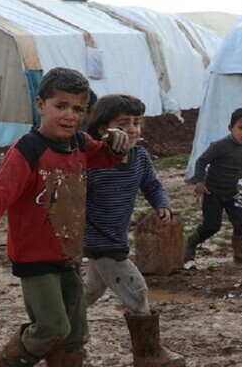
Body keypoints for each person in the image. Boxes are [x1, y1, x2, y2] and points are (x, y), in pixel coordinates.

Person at [0, 67, 131, 367]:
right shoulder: (28, 149)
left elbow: (105, 155)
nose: (70, 116)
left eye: (78, 109)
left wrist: (117, 142)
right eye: (61, 106)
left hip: (70, 254)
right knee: (52, 328)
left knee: (74, 337)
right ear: (40, 105)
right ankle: (5, 363)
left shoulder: (80, 143)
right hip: (35, 258)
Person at [83, 94, 185, 366]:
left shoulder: (139, 157)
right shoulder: (92, 161)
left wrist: (162, 204)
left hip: (115, 236)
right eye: (123, 124)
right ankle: (149, 354)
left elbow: (152, 184)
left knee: (89, 292)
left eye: (136, 123)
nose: (132, 129)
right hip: (98, 239)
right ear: (103, 129)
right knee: (136, 289)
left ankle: (56, 331)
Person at [184, 107, 242, 264]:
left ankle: (241, 253)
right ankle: (190, 242)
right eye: (241, 128)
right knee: (212, 226)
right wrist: (200, 182)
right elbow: (201, 162)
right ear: (230, 127)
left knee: (241, 220)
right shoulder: (219, 146)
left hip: (231, 193)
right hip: (211, 193)